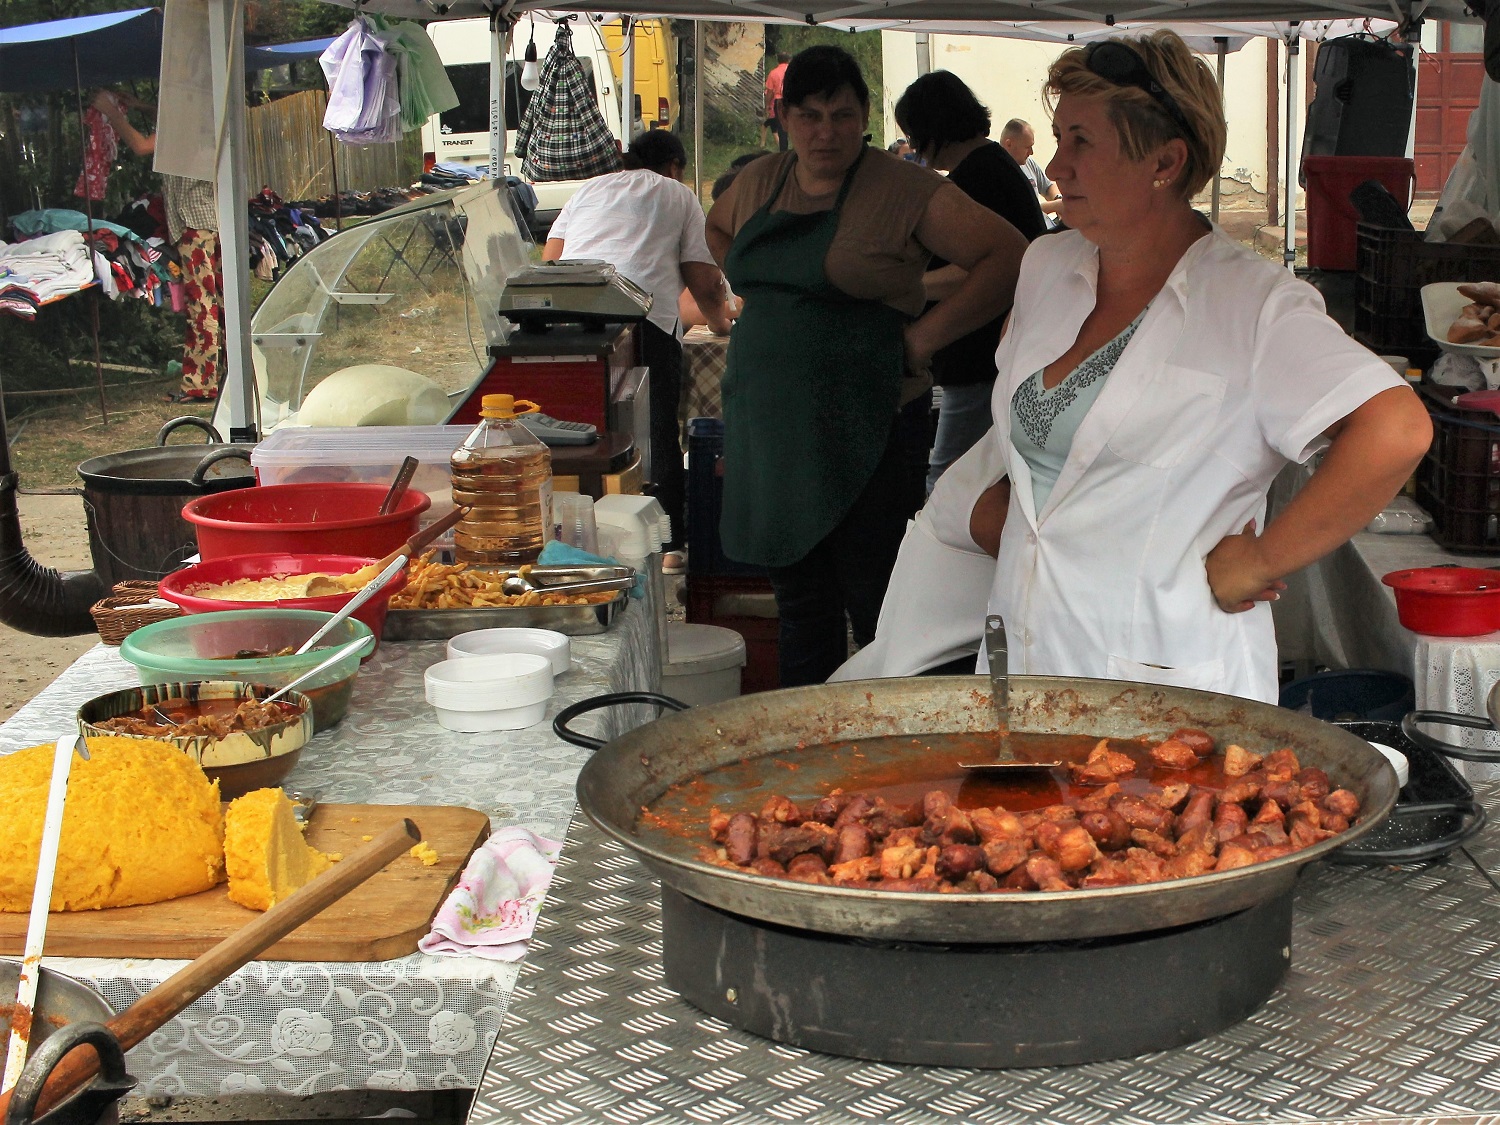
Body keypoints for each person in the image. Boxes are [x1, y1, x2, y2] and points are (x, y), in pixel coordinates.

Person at [834, 31, 1431, 704]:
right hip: (1030, 659)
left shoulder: (1253, 303)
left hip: (1165, 681)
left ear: (1165, 161)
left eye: (1081, 141)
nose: (1056, 167)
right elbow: (1029, 452)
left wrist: (1262, 559)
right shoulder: (1048, 269)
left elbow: (1395, 428)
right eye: (1057, 138)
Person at [705, 45, 1028, 688]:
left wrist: (920, 339)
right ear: (784, 118)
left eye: (843, 115)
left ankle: (887, 755)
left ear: (865, 118)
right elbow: (717, 233)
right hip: (771, 427)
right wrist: (759, 306)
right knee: (799, 603)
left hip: (868, 420)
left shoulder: (903, 188)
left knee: (877, 604)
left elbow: (1008, 255)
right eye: (810, 116)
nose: (827, 132)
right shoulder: (760, 181)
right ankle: (807, 753)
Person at [544, 130, 733, 556]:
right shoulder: (678, 195)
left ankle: (579, 537)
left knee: (582, 431)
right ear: (675, 168)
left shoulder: (589, 189)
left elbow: (552, 260)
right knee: (657, 430)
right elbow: (702, 279)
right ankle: (669, 546)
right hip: (643, 319)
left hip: (573, 321)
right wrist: (720, 322)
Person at [895, 72, 1048, 492]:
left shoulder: (977, 174)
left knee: (949, 481)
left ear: (929, 129)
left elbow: (984, 268)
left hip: (982, 356)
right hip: (992, 353)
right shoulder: (992, 164)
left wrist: (911, 286)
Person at [92, 91, 222, 403]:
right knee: (217, 300)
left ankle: (200, 385)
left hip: (195, 225)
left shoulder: (183, 125)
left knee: (201, 304)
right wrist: (141, 106)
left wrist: (114, 113)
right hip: (210, 219)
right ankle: (224, 376)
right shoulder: (204, 116)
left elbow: (141, 146)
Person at [1000, 118, 1064, 226]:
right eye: (1027, 147)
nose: (1031, 152)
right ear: (1009, 144)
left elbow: (1048, 187)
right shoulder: (997, 172)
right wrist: (1055, 206)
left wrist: (1058, 199)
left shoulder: (1028, 163)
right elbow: (1018, 214)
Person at [761, 52, 791, 152]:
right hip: (792, 100)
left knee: (782, 128)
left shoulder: (773, 73)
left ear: (777, 60)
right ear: (788, 60)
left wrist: (768, 105)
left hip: (779, 102)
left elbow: (769, 92)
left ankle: (783, 151)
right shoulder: (793, 71)